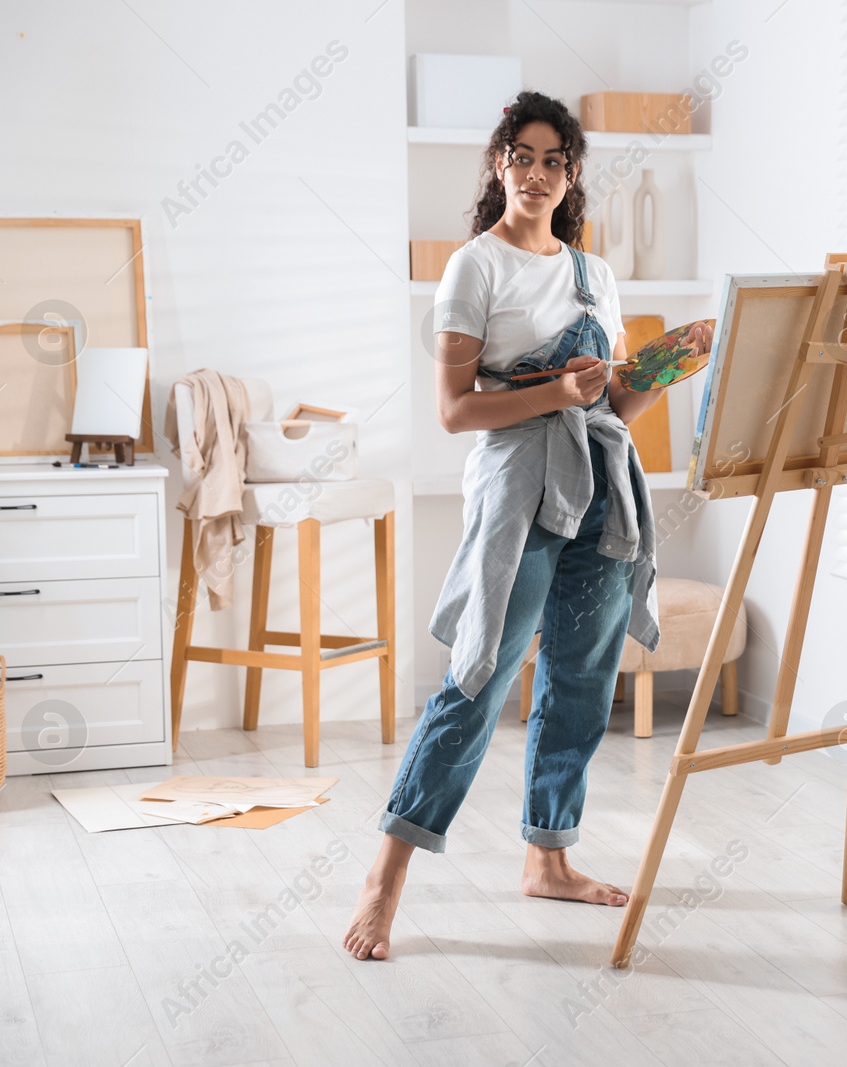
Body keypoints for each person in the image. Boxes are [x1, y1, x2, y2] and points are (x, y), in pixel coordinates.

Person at [343, 91, 663, 962]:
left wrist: (665, 368)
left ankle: (547, 856)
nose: (535, 172)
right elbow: (454, 410)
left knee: (582, 684)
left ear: (571, 176)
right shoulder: (474, 268)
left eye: (553, 159)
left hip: (598, 491)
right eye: (521, 155)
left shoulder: (596, 274)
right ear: (498, 165)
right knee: (477, 678)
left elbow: (618, 403)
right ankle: (385, 880)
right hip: (518, 490)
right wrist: (557, 392)